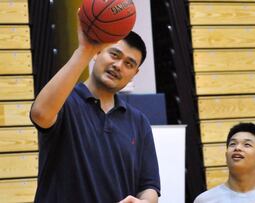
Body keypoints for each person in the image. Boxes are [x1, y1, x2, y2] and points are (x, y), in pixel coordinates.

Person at [30, 13, 160, 203]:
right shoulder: (64, 101)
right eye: (114, 54)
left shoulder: (139, 122)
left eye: (129, 64)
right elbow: (40, 114)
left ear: (134, 74)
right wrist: (84, 50)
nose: (118, 65)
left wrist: (145, 202)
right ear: (99, 52)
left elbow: (149, 185)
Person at [194, 123, 255, 203]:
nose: (237, 148)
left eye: (247, 144)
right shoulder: (204, 200)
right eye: (232, 144)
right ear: (226, 155)